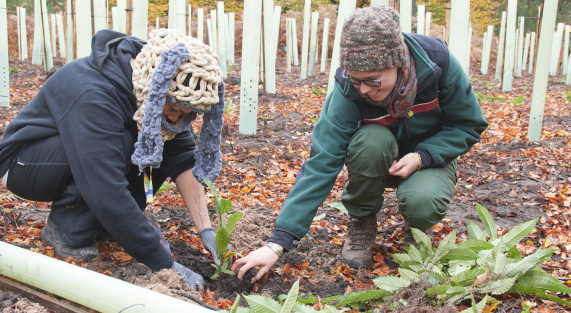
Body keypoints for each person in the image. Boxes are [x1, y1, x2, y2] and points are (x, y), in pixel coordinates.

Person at [232, 6, 488, 282]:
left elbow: (467, 124)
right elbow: (323, 160)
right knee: (371, 139)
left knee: (423, 203)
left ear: (399, 63)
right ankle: (363, 220)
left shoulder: (438, 64)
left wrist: (424, 155)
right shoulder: (348, 88)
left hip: (429, 158)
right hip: (375, 157)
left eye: (372, 81)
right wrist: (278, 243)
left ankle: (417, 230)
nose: (363, 90)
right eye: (356, 81)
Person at [0, 29, 226, 290]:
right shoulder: (93, 92)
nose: (175, 118)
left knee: (155, 141)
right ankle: (66, 230)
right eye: (173, 109)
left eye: (186, 114)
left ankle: (106, 227)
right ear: (154, 87)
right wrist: (164, 264)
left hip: (86, 157)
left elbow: (182, 160)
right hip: (26, 166)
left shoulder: (169, 89)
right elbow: (103, 188)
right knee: (123, 145)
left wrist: (206, 229)